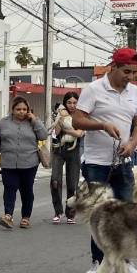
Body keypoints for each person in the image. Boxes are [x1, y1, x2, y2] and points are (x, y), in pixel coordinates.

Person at [70, 48, 137, 273]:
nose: (130, 77)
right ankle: (98, 262)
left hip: (123, 161)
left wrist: (132, 143)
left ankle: (125, 261)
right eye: (126, 72)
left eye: (133, 73)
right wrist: (102, 125)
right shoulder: (93, 89)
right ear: (113, 67)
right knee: (99, 214)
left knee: (126, 213)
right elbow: (77, 120)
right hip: (96, 162)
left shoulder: (134, 91)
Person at [0, 96, 48, 228]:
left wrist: (35, 120)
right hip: (8, 163)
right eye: (18, 109)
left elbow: (43, 136)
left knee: (26, 190)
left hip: (29, 163)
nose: (21, 112)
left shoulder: (33, 122)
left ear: (28, 110)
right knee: (9, 188)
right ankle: (8, 215)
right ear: (12, 109)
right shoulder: (3, 123)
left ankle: (25, 217)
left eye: (24, 109)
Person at [50, 92, 84, 224]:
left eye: (75, 102)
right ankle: (58, 212)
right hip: (59, 149)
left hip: (74, 150)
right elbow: (56, 132)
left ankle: (70, 213)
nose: (72, 105)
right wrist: (60, 119)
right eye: (69, 102)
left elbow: (79, 133)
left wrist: (68, 129)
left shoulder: (81, 116)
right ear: (65, 103)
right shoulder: (60, 114)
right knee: (55, 181)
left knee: (72, 183)